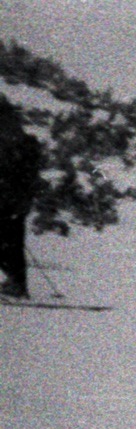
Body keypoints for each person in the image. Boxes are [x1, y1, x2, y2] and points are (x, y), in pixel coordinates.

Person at [0, 96, 42, 300]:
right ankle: (17, 284)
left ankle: (17, 285)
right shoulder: (18, 134)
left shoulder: (8, 135)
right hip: (18, 199)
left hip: (7, 198)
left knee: (9, 243)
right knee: (12, 242)